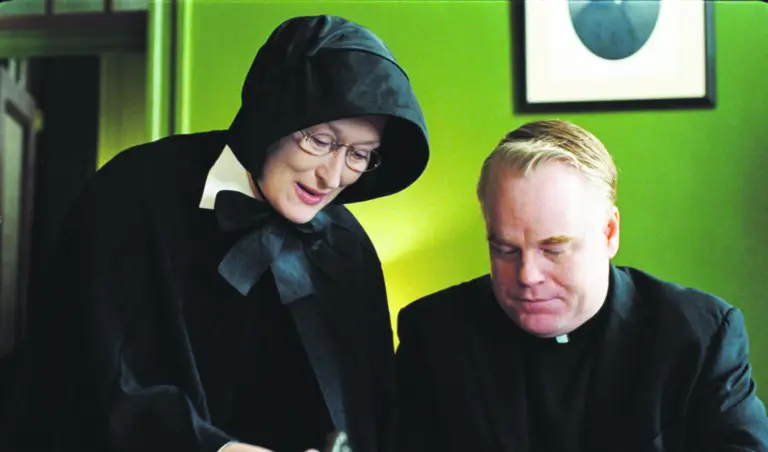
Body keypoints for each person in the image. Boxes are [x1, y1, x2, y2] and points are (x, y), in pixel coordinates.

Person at [8, 15, 429, 452]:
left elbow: (368, 411)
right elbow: (89, 371)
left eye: (360, 154)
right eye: (321, 140)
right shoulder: (134, 190)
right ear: (272, 112)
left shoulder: (347, 246)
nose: (333, 176)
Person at [395, 120, 768, 452]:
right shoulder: (433, 334)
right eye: (505, 250)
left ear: (609, 232)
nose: (527, 275)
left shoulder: (700, 336)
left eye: (554, 249)